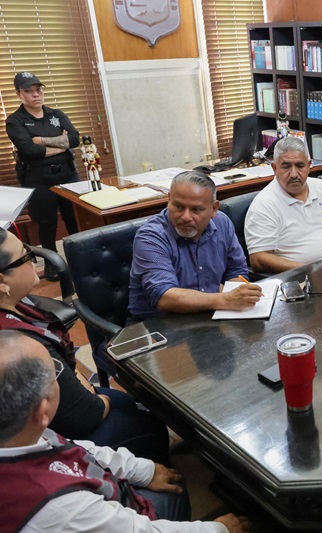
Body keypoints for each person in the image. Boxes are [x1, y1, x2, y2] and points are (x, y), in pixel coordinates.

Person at [0, 330, 251, 532]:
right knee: (176, 495)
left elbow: (75, 447)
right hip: (103, 509)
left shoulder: (20, 433)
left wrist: (142, 470)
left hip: (95, 492)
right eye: (55, 372)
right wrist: (219, 528)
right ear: (42, 410)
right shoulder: (59, 508)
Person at [0, 228, 170, 463]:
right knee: (149, 424)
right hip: (48, 436)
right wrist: (100, 399)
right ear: (2, 281)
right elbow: (84, 417)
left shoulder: (16, 305)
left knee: (128, 403)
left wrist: (82, 383)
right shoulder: (17, 344)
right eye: (25, 255)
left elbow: (62, 363)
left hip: (59, 404)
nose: (33, 260)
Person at [128, 170, 263, 321]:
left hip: (209, 316)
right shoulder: (151, 236)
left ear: (214, 209)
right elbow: (165, 296)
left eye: (196, 209)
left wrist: (239, 296)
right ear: (169, 200)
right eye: (178, 207)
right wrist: (226, 300)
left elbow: (236, 271)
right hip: (156, 325)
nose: (186, 217)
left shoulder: (222, 223)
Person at [5, 72, 80, 281]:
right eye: (28, 91)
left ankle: (80, 257)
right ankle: (51, 264)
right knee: (47, 223)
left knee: (74, 219)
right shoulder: (15, 121)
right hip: (39, 179)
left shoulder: (56, 114)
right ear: (19, 94)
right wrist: (60, 144)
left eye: (38, 90)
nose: (35, 95)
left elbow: (74, 139)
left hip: (68, 175)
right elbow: (29, 150)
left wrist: (42, 140)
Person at [245, 137, 322, 273]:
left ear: (309, 165)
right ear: (274, 168)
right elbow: (258, 258)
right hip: (297, 276)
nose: (294, 174)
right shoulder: (264, 205)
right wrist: (308, 270)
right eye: (286, 167)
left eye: (300, 166)